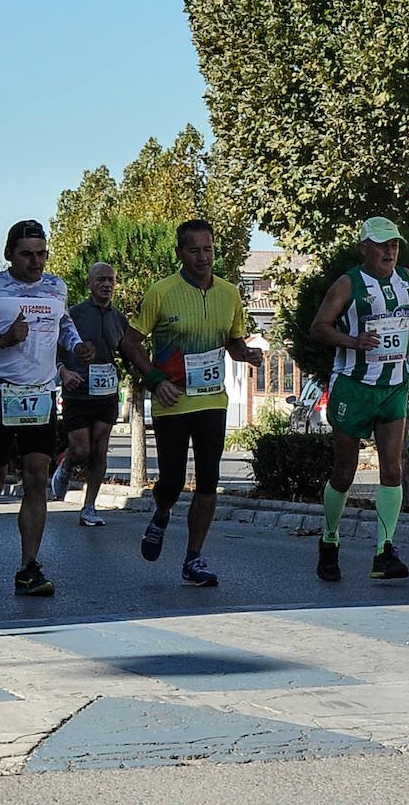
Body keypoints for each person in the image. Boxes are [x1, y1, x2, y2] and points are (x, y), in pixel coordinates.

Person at [0, 220, 94, 596]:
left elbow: (64, 325)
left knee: (36, 477)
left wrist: (77, 346)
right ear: (9, 254)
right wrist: (0, 340)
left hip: (40, 393)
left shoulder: (56, 287)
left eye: (42, 254)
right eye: (27, 254)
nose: (36, 262)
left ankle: (29, 567)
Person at [118, 219, 263, 588]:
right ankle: (162, 511)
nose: (203, 257)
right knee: (171, 481)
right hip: (173, 399)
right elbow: (130, 343)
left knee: (209, 480)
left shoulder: (229, 294)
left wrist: (247, 354)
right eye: (195, 250)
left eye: (208, 249)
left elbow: (233, 342)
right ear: (180, 253)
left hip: (212, 399)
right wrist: (155, 380)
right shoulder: (162, 292)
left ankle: (193, 558)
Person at [307, 217, 409, 582]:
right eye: (381, 245)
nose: (389, 251)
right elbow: (318, 327)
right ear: (364, 247)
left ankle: (385, 551)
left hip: (394, 384)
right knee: (344, 472)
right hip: (354, 385)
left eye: (394, 245)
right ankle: (330, 539)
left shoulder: (406, 278)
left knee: (392, 469)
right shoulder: (349, 284)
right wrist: (353, 341)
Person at [49, 262, 129, 527]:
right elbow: (52, 349)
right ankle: (67, 464)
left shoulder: (120, 319)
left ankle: (89, 507)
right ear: (89, 284)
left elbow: (127, 352)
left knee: (100, 448)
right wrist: (63, 372)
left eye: (111, 280)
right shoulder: (74, 315)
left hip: (106, 393)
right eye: (101, 279)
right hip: (78, 391)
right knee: (83, 450)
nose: (107, 284)